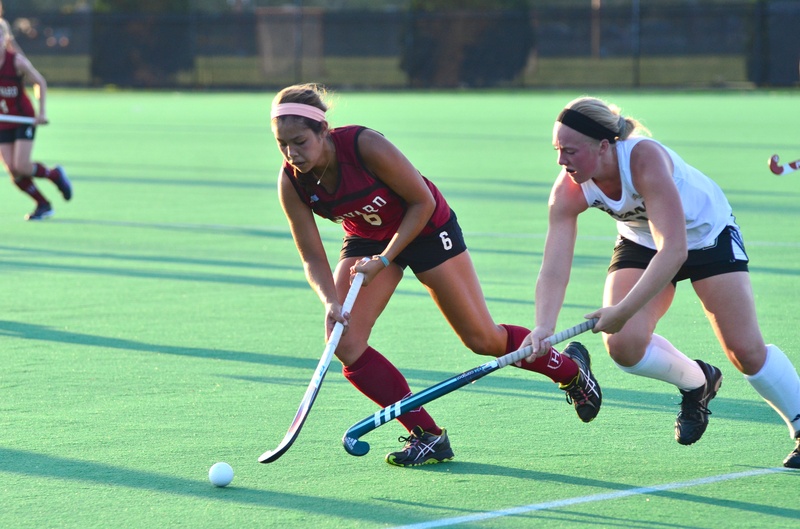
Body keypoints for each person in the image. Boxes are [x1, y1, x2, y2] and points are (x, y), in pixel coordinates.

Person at [270, 83, 602, 467]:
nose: (292, 153)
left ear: (323, 131)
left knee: (482, 338)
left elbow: (421, 201)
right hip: (368, 237)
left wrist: (386, 259)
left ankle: (573, 373)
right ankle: (427, 435)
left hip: (427, 227)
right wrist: (330, 300)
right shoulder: (291, 182)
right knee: (344, 341)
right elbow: (311, 255)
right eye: (282, 145)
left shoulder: (364, 146)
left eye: (300, 142)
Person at [525, 95, 800, 469]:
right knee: (623, 345)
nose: (561, 161)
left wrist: (622, 310)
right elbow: (554, 266)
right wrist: (543, 326)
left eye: (570, 151)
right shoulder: (569, 188)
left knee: (746, 352)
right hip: (641, 242)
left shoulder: (644, 160)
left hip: (706, 237)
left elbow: (674, 251)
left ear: (603, 146)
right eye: (557, 150)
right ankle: (698, 382)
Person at [0, 18, 71, 221]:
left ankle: (54, 175)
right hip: (3, 121)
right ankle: (43, 204)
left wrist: (42, 112)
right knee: (13, 171)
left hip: (23, 118)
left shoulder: (16, 61)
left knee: (21, 166)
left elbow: (40, 82)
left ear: (6, 38)